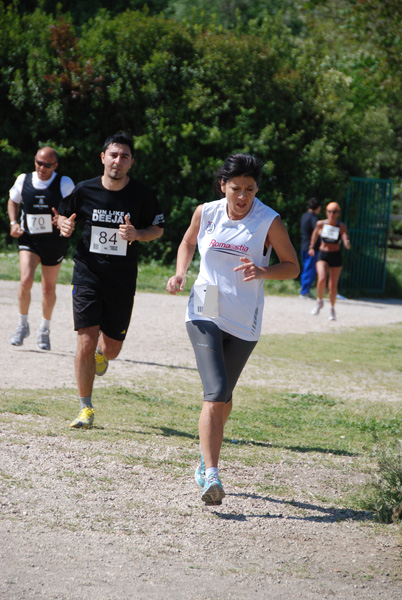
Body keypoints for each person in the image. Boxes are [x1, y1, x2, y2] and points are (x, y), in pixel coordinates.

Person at [166, 153, 299, 506]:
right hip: (206, 302)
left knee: (224, 399)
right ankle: (212, 475)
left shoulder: (268, 220)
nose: (242, 197)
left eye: (250, 189)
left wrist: (264, 271)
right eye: (236, 188)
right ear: (223, 185)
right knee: (216, 390)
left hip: (244, 317)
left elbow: (292, 267)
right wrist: (181, 273)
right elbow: (188, 242)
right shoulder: (206, 211)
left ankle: (204, 453)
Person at [57, 132, 165, 429]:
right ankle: (85, 408)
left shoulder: (141, 194)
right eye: (113, 155)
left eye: (124, 156)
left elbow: (158, 229)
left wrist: (137, 235)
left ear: (131, 162)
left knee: (111, 348)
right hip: (88, 273)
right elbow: (63, 217)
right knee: (85, 340)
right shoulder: (84, 190)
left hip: (121, 278)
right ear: (103, 157)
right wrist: (63, 224)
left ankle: (103, 355)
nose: (118, 160)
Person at [7, 146, 75, 350]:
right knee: (25, 280)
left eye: (46, 164)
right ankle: (22, 325)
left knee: (48, 288)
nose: (41, 167)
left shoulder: (64, 183)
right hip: (29, 238)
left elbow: (75, 209)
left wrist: (62, 219)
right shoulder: (23, 180)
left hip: (53, 241)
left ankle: (44, 329)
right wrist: (13, 223)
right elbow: (13, 201)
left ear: (55, 165)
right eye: (38, 162)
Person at [308, 201, 351, 320]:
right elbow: (315, 234)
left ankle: (332, 309)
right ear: (326, 212)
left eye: (335, 212)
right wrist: (311, 247)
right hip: (323, 254)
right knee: (321, 277)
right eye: (330, 211)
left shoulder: (341, 226)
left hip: (335, 255)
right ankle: (319, 301)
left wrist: (347, 243)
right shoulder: (321, 224)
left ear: (338, 213)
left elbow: (345, 236)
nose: (332, 214)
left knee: (333, 285)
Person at [299, 197, 321, 298]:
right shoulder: (313, 217)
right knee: (310, 270)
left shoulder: (304, 215)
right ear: (318, 207)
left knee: (306, 268)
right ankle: (305, 291)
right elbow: (317, 230)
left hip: (303, 245)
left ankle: (304, 290)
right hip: (311, 248)